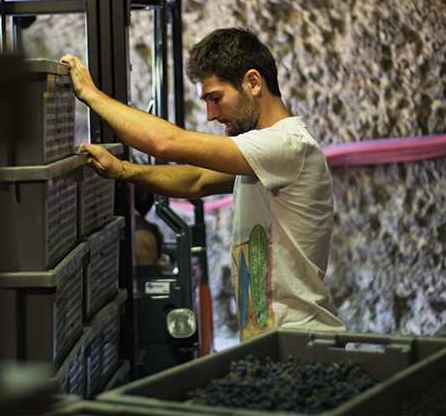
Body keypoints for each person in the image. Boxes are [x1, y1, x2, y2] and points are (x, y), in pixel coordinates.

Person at [61, 27, 345, 341]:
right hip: (273, 338)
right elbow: (196, 180)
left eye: (215, 98)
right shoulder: (264, 154)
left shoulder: (287, 145)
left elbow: (166, 144)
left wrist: (90, 94)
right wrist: (124, 171)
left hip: (300, 338)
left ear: (253, 82)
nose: (211, 114)